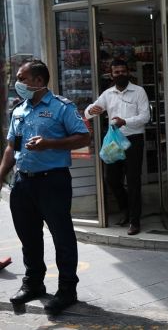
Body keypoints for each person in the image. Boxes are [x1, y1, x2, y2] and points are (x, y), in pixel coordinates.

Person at [0, 59, 90, 314]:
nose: (17, 83)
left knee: (62, 237)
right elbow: (11, 147)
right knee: (28, 237)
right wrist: (1, 175)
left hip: (53, 181)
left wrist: (49, 143)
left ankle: (67, 290)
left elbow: (84, 137)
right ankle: (33, 284)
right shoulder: (19, 110)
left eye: (22, 78)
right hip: (23, 183)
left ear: (39, 81)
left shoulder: (62, 107)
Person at [85, 60, 150, 236]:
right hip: (114, 141)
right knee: (112, 179)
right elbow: (87, 112)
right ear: (111, 75)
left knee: (133, 180)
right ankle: (126, 210)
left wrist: (125, 121)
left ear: (128, 72)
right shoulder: (108, 94)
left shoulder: (139, 91)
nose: (120, 74)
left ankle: (134, 222)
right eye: (116, 72)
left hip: (134, 140)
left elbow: (145, 116)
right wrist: (93, 110)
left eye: (123, 71)